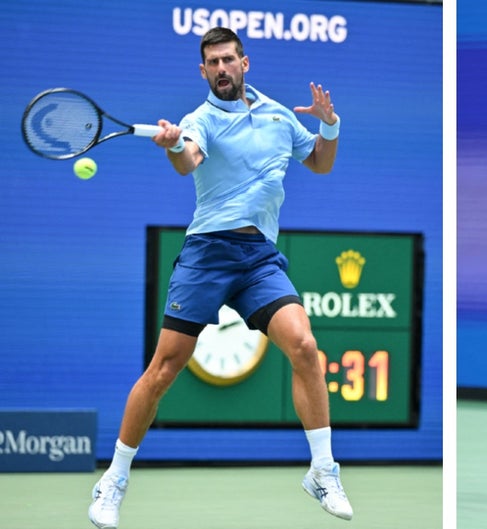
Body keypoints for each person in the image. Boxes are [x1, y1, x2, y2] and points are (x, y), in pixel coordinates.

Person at [88, 27, 352, 528]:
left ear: (244, 63)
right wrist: (172, 146)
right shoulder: (199, 120)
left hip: (259, 257)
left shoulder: (279, 116)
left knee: (304, 346)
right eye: (213, 63)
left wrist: (330, 125)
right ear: (203, 71)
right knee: (165, 368)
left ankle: (323, 471)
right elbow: (188, 161)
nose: (222, 69)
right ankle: (114, 480)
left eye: (229, 59)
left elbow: (319, 162)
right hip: (208, 252)